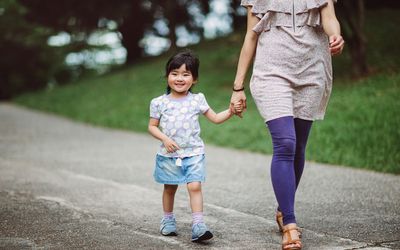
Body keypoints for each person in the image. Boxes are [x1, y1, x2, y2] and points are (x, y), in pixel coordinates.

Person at [230, 0, 344, 249]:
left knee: (299, 145)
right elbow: (251, 35)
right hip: (271, 73)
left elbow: (329, 18)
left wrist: (335, 35)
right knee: (285, 142)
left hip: (312, 70)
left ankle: (284, 209)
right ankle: (290, 225)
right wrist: (238, 87)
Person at [148, 50, 241, 243]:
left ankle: (198, 225)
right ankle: (167, 220)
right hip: (169, 154)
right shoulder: (159, 103)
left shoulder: (197, 99)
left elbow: (215, 118)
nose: (179, 78)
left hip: (194, 152)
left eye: (185, 74)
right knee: (170, 187)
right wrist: (165, 139)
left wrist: (231, 111)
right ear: (167, 77)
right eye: (175, 73)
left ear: (194, 79)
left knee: (195, 185)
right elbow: (152, 126)